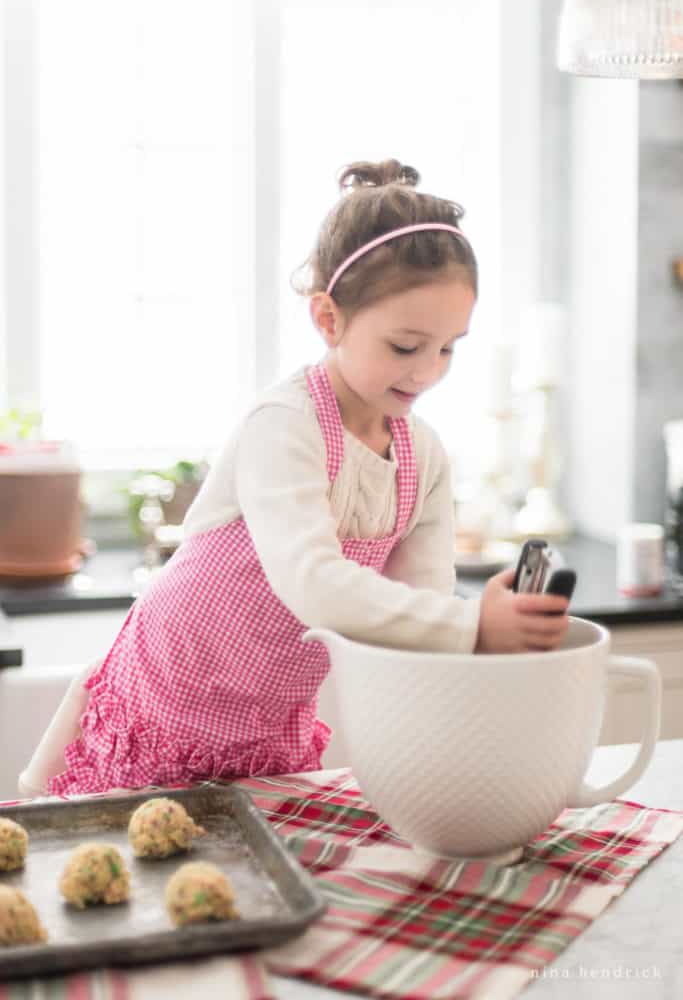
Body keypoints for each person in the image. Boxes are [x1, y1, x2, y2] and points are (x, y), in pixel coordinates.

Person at [20, 158, 569, 797]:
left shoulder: (427, 456)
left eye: (448, 348)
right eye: (405, 346)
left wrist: (484, 637)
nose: (426, 372)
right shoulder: (285, 425)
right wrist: (476, 627)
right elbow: (315, 583)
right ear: (329, 319)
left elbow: (426, 603)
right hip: (169, 694)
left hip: (263, 725)